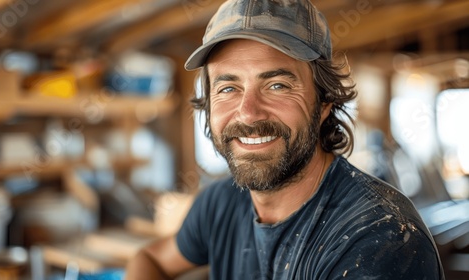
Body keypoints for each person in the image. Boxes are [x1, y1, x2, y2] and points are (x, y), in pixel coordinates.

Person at [124, 0, 445, 279]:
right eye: (228, 88)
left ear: (323, 104)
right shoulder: (220, 203)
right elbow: (150, 258)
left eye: (277, 85)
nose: (248, 114)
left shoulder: (380, 240)